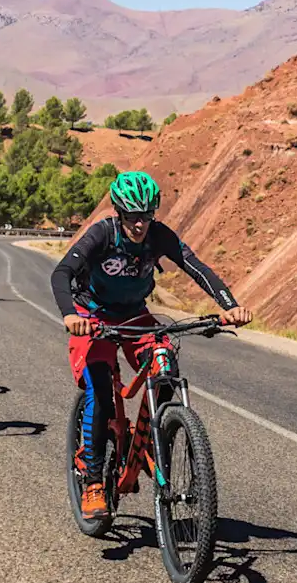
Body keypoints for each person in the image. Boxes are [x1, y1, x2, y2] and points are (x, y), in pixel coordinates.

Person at [51, 171, 250, 519]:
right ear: (118, 212)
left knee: (165, 358)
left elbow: (196, 267)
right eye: (131, 216)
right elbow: (61, 274)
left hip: (135, 316)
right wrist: (71, 314)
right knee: (99, 388)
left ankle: (157, 435)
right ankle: (94, 482)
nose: (139, 225)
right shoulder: (102, 233)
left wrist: (229, 306)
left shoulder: (157, 236)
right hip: (93, 318)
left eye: (145, 216)